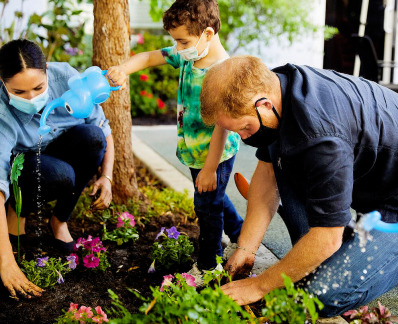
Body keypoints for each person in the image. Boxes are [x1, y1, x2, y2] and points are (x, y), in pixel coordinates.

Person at [199, 55, 398, 317]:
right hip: (379, 186)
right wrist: (246, 249)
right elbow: (268, 173)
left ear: (265, 104)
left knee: (320, 296)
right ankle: (363, 249)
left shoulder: (321, 134)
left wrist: (259, 285)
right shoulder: (277, 85)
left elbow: (327, 238)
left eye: (244, 128)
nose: (243, 137)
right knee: (304, 269)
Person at [106, 0, 243, 281]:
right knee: (213, 198)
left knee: (206, 207)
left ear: (206, 33)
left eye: (182, 41)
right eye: (176, 42)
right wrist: (123, 69)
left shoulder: (223, 73)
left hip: (214, 154)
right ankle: (241, 234)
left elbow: (222, 128)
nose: (177, 48)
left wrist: (208, 169)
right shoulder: (189, 54)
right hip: (195, 152)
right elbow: (147, 58)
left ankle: (209, 265)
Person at [0, 39, 115, 299]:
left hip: (60, 150)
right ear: (3, 83)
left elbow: (104, 130)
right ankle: (17, 212)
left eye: (38, 87)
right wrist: (5, 261)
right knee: (59, 174)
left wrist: (106, 177)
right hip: (23, 165)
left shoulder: (67, 79)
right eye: (19, 92)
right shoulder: (0, 109)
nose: (31, 98)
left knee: (92, 137)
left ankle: (59, 219)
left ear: (48, 71)